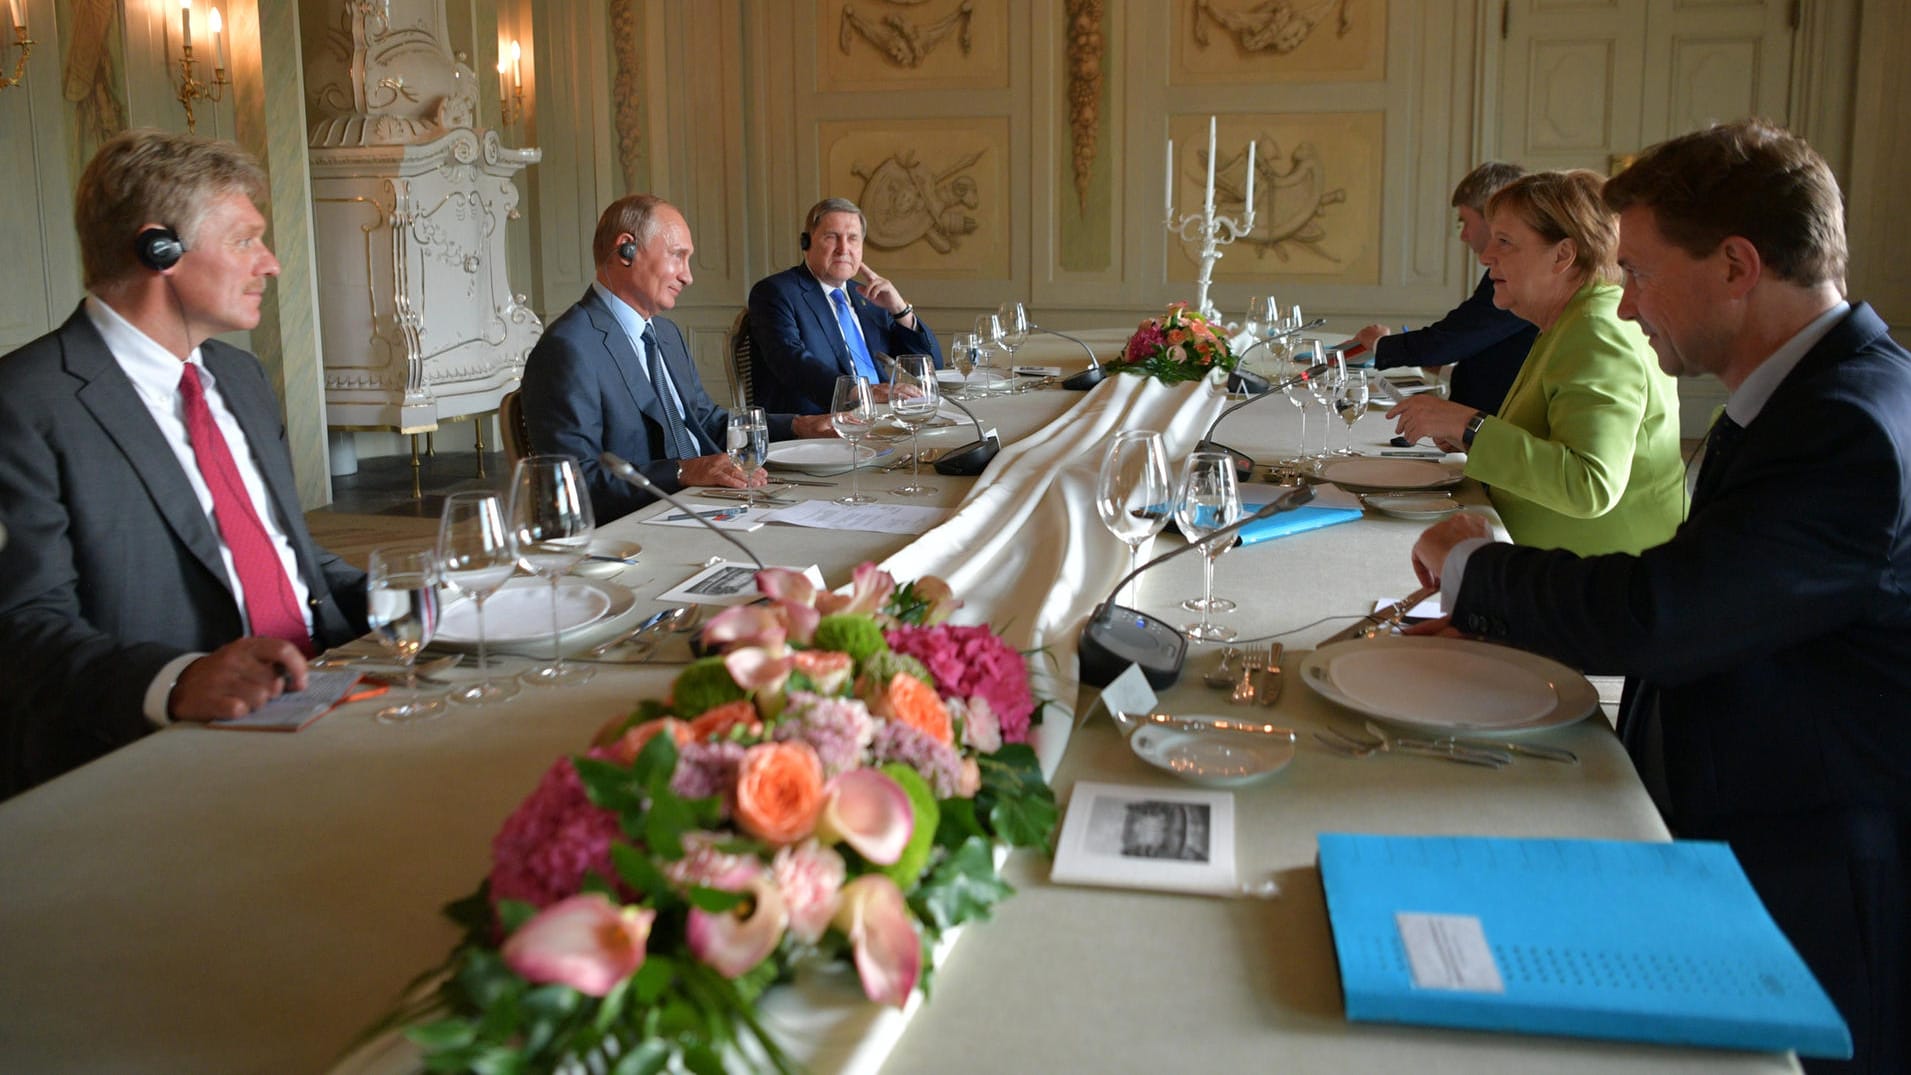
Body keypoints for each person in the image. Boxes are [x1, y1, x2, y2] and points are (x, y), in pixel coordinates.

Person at [1410, 119, 1911, 1074]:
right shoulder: (1810, 391)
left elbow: (1667, 614)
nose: (1628, 306)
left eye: (1637, 272)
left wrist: (1478, 569)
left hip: (1806, 879)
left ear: (1734, 264)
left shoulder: (1846, 425)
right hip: (1742, 812)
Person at [0, 130, 370, 799]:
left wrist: (418, 601)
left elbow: (288, 556)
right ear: (158, 249)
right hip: (161, 758)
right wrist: (177, 680)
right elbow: (22, 628)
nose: (271, 264)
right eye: (244, 240)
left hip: (335, 694)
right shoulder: (26, 403)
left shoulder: (240, 377)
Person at [1387, 170, 1684, 556]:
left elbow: (1589, 484)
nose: (1486, 255)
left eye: (1505, 242)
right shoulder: (1572, 320)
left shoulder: (1596, 329)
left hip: (1604, 582)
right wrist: (1467, 435)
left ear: (1563, 254)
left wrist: (1470, 426)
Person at [520, 195, 836, 522]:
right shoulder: (567, 349)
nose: (688, 276)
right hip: (646, 525)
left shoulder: (666, 334)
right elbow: (575, 483)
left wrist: (799, 425)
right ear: (626, 250)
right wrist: (683, 471)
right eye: (677, 256)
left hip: (716, 504)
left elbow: (707, 422)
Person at [1353, 162, 1538, 413]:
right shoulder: (1507, 272)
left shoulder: (1523, 277)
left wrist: (1380, 345)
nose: (1463, 236)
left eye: (1465, 222)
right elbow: (1492, 357)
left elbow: (1454, 338)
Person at [747, 197, 943, 415]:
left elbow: (932, 367)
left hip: (886, 417)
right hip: (818, 425)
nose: (843, 249)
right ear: (806, 243)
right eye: (832, 237)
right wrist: (864, 391)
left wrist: (900, 309)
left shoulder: (870, 297)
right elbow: (790, 362)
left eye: (853, 239)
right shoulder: (776, 292)